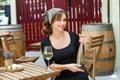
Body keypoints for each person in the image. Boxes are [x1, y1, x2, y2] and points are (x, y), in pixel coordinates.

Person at [41, 8, 89, 80]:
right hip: (61, 76)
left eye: (64, 20)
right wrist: (67, 67)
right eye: (59, 20)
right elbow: (50, 65)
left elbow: (82, 59)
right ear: (51, 22)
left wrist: (83, 44)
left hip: (79, 74)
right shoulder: (46, 43)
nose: (63, 23)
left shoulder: (73, 36)